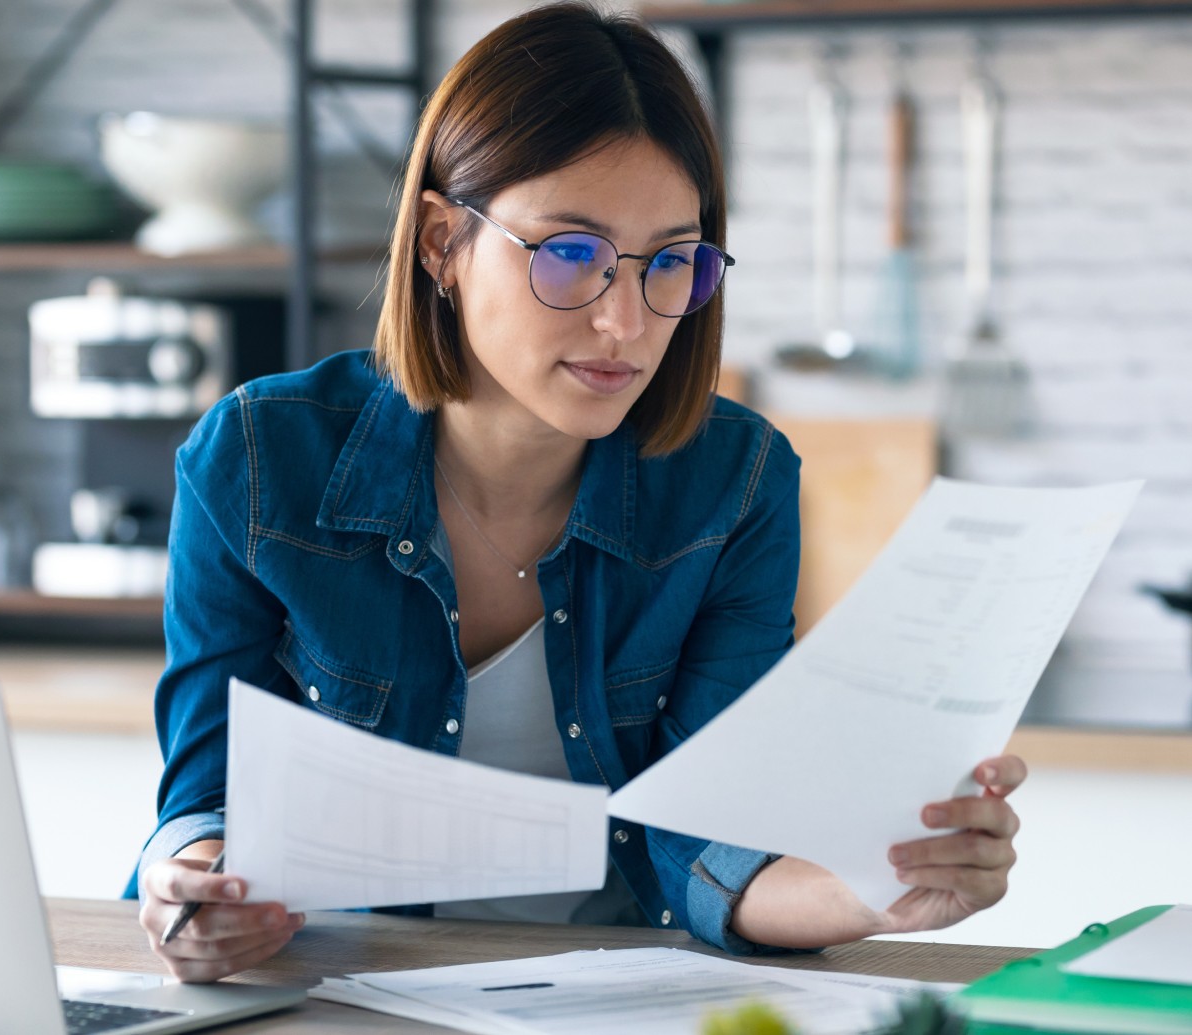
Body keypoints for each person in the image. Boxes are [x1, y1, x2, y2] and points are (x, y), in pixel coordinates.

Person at [132, 1, 1025, 983]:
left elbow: (710, 844)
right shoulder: (260, 458)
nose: (626, 322)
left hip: (618, 994)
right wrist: (198, 893)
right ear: (441, 242)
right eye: (570, 253)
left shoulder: (737, 482)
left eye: (672, 264)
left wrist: (875, 890)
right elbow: (205, 804)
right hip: (344, 989)